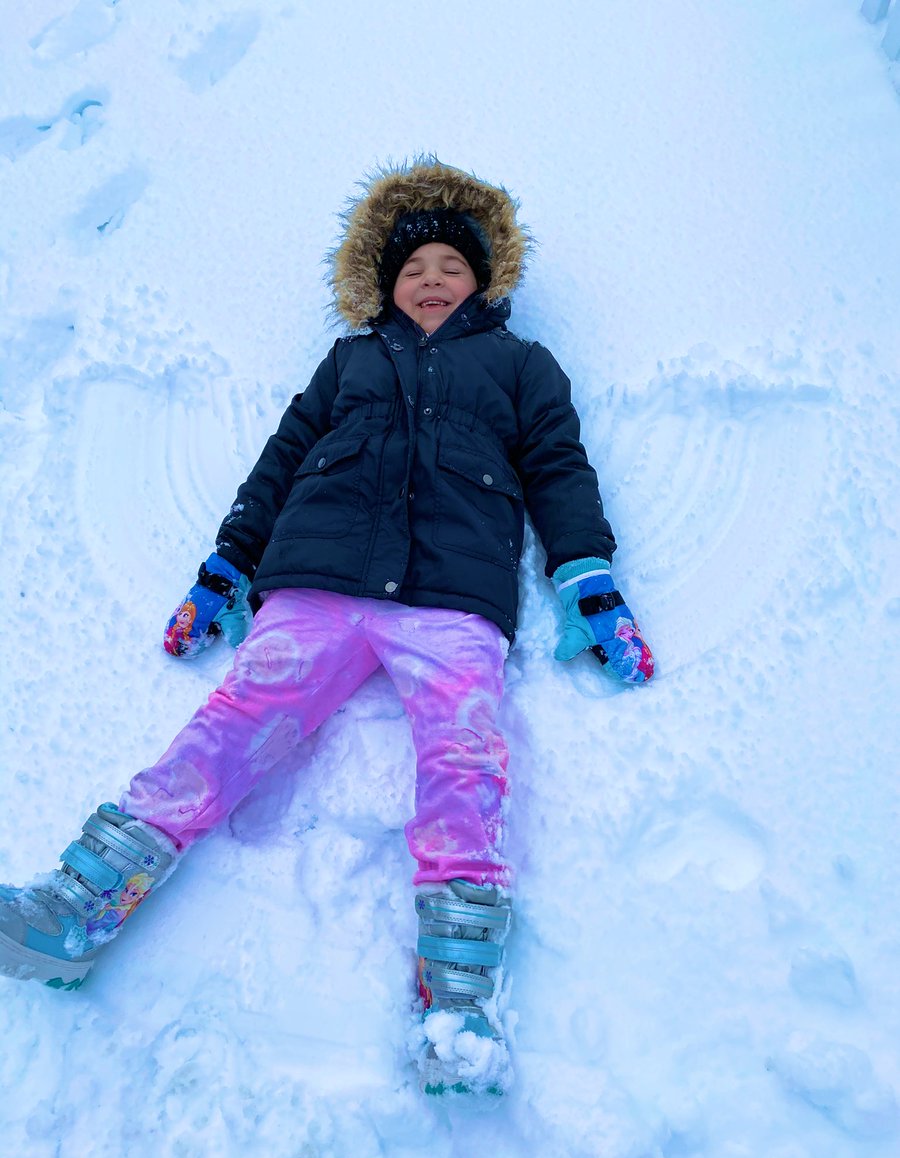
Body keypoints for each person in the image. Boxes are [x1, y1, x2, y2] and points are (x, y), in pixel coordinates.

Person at [0, 158, 653, 1092]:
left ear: (485, 281)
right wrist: (228, 564)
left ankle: (458, 1006)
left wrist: (587, 575)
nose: (431, 280)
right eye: (413, 268)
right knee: (227, 728)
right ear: (383, 286)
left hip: (453, 603)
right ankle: (80, 905)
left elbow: (557, 465)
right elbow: (280, 460)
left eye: (451, 267)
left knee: (466, 764)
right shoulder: (349, 362)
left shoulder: (518, 365)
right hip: (316, 582)